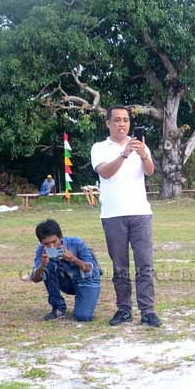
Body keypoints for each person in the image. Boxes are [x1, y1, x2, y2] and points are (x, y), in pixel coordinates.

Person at [90, 106, 160, 327]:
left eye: (126, 120)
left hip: (140, 213)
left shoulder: (140, 145)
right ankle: (123, 310)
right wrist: (125, 153)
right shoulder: (100, 147)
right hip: (113, 215)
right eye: (117, 120)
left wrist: (142, 154)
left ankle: (147, 311)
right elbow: (105, 172)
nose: (122, 124)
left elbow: (150, 171)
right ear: (108, 123)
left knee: (145, 264)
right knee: (120, 266)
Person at [30, 219, 101, 321]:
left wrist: (73, 259)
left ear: (61, 237)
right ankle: (58, 308)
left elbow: (89, 269)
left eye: (54, 242)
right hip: (66, 281)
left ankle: (84, 299)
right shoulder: (42, 250)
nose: (51, 246)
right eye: (46, 244)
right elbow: (35, 279)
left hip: (86, 280)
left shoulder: (77, 243)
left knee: (83, 316)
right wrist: (42, 265)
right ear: (41, 243)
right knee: (48, 267)